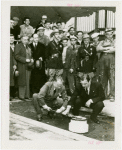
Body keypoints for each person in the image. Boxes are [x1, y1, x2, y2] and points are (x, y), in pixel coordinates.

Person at [96, 28, 115, 100]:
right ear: (105, 35)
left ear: (112, 34)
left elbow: (115, 49)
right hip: (103, 60)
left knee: (111, 77)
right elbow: (98, 49)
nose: (109, 35)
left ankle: (112, 95)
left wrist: (104, 48)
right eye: (107, 34)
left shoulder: (115, 41)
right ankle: (103, 94)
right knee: (103, 77)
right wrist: (107, 49)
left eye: (110, 33)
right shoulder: (102, 41)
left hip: (111, 60)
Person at [14, 35, 34, 100]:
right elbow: (16, 56)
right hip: (21, 65)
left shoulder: (28, 46)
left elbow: (30, 54)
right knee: (22, 81)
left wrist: (31, 59)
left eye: (27, 39)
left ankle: (27, 95)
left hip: (28, 66)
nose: (26, 41)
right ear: (21, 40)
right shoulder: (18, 46)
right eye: (24, 39)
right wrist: (25, 60)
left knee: (27, 80)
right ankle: (21, 96)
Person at [10, 34, 17, 100]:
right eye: (10, 38)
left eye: (12, 38)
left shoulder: (16, 46)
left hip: (16, 63)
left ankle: (14, 93)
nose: (11, 39)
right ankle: (10, 94)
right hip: (10, 64)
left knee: (15, 78)